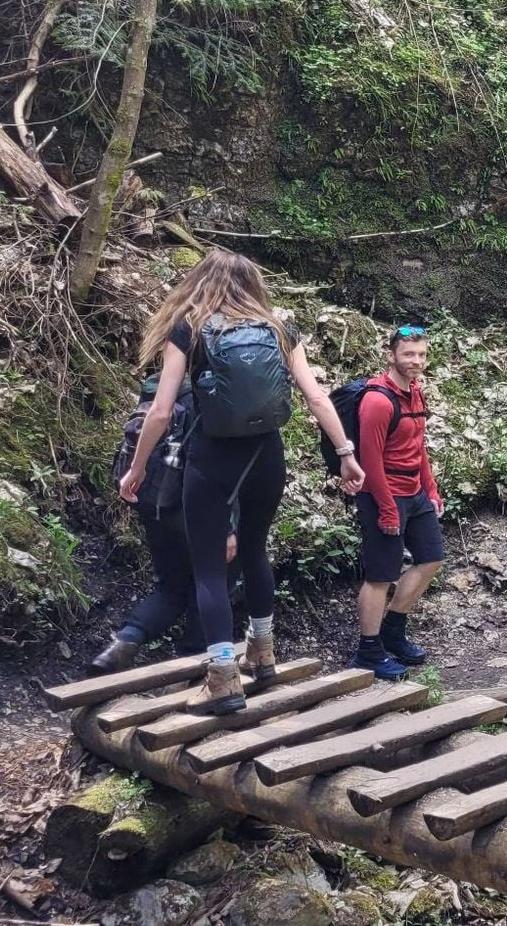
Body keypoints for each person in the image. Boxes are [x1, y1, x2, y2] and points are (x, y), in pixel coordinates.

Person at [119, 250, 364, 715]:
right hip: (267, 457)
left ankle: (222, 679)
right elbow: (315, 396)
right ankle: (263, 652)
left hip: (212, 460)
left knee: (210, 569)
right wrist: (346, 455)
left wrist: (137, 467)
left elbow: (162, 411)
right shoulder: (277, 327)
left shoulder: (188, 328)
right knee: (254, 550)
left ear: (199, 283)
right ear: (253, 285)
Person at [85, 377, 225, 673]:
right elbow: (218, 467)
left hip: (155, 499)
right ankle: (193, 665)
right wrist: (232, 525)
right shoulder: (213, 393)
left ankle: (122, 644)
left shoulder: (158, 386)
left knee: (171, 586)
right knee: (211, 582)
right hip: (196, 507)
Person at [348, 325, 446, 679]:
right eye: (408, 354)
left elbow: (418, 447)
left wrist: (431, 489)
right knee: (380, 575)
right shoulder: (377, 400)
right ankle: (368, 650)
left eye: (421, 355)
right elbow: (369, 460)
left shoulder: (415, 393)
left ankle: (393, 629)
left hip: (414, 492)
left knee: (432, 557)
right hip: (381, 495)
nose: (415, 361)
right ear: (391, 355)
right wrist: (388, 508)